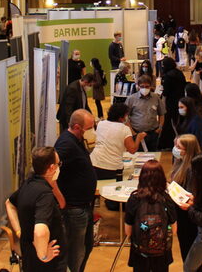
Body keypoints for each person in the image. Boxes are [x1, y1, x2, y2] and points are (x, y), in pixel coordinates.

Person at [7, 146, 66, 271]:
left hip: (29, 259)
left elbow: (9, 203)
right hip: (48, 265)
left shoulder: (28, 184)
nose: (59, 167)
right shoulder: (45, 195)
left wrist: (19, 232)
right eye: (58, 164)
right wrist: (43, 256)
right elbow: (40, 232)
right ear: (51, 168)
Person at [54, 110, 97, 272]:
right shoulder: (66, 143)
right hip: (74, 208)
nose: (93, 131)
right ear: (78, 127)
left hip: (84, 205)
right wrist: (60, 197)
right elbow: (49, 171)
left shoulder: (77, 140)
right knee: (76, 252)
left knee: (87, 246)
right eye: (90, 127)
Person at [124, 159, 178, 272]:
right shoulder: (166, 199)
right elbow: (174, 230)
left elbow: (128, 231)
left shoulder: (134, 198)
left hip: (140, 252)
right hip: (162, 252)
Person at [170, 134, 202, 271]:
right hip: (181, 214)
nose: (175, 149)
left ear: (188, 150)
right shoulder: (179, 162)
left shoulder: (193, 169)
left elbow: (190, 196)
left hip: (188, 217)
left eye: (178, 147)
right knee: (186, 251)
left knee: (191, 254)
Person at [90, 103, 146, 180]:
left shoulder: (101, 124)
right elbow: (132, 150)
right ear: (121, 117)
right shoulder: (124, 129)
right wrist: (138, 138)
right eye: (126, 115)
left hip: (93, 164)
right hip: (111, 168)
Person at [126, 75, 166, 152]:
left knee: (153, 155)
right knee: (138, 155)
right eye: (142, 86)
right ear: (138, 86)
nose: (144, 88)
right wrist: (132, 132)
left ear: (150, 86)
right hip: (137, 133)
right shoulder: (131, 99)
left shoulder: (156, 98)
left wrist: (160, 127)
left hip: (153, 133)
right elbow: (125, 117)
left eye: (147, 86)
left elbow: (162, 114)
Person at [159, 57, 186, 150]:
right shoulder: (179, 73)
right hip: (181, 101)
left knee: (169, 122)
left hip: (171, 102)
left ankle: (168, 143)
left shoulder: (168, 76)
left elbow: (166, 92)